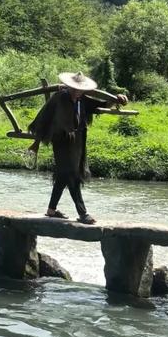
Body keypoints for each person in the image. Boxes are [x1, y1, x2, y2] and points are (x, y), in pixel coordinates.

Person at [26, 71, 128, 225]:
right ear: (68, 86)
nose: (76, 92)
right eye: (73, 88)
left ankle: (51, 210)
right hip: (61, 141)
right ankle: (83, 213)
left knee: (62, 176)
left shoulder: (82, 100)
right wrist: (36, 143)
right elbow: (43, 119)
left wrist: (117, 99)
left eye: (79, 89)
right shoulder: (59, 98)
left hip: (77, 142)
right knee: (72, 175)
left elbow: (101, 104)